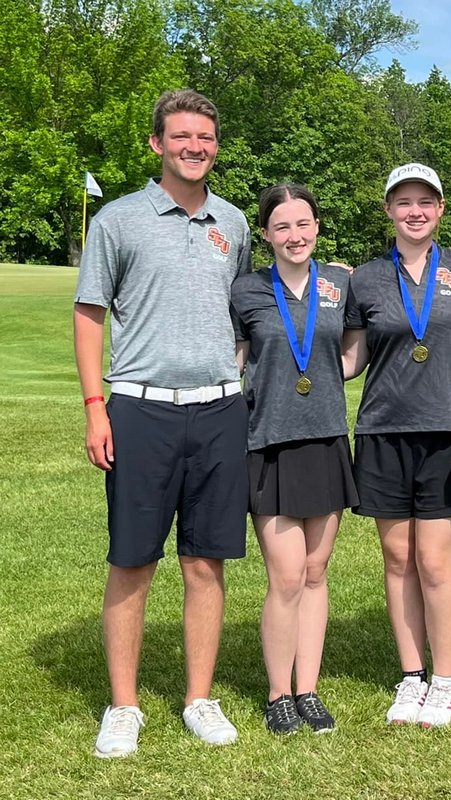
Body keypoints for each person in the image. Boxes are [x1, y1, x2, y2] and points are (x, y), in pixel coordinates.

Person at [74, 89, 250, 758]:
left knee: (207, 562)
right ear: (157, 144)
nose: (194, 146)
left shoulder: (233, 223)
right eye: (181, 136)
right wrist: (96, 406)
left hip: (219, 410)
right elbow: (90, 315)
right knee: (132, 560)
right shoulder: (118, 221)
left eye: (204, 137)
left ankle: (198, 698)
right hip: (140, 409)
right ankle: (124, 706)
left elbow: (243, 317)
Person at [349, 163, 451, 728]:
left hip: (446, 437)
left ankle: (446, 680)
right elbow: (352, 360)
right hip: (383, 429)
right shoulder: (363, 279)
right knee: (398, 557)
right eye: (403, 202)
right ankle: (411, 678)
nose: (415, 211)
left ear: (441, 208)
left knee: (435, 560)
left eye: (425, 202)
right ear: (388, 210)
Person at [229, 184, 361, 734]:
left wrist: (328, 377)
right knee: (284, 576)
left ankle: (308, 688)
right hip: (270, 443)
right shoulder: (246, 291)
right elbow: (234, 362)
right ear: (266, 234)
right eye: (282, 226)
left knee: (314, 571)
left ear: (316, 226)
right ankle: (278, 693)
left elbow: (353, 353)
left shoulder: (339, 284)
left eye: (303, 224)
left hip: (326, 439)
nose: (294, 235)